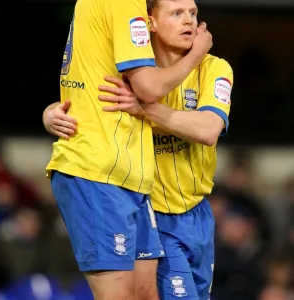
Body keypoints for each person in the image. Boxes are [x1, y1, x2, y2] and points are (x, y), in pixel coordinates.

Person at [44, 0, 230, 300]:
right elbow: (91, 91)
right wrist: (53, 111)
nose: (189, 21)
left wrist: (146, 110)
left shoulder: (214, 67)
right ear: (149, 23)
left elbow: (208, 129)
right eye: (177, 13)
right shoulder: (135, 69)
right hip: (148, 203)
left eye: (193, 13)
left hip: (193, 211)